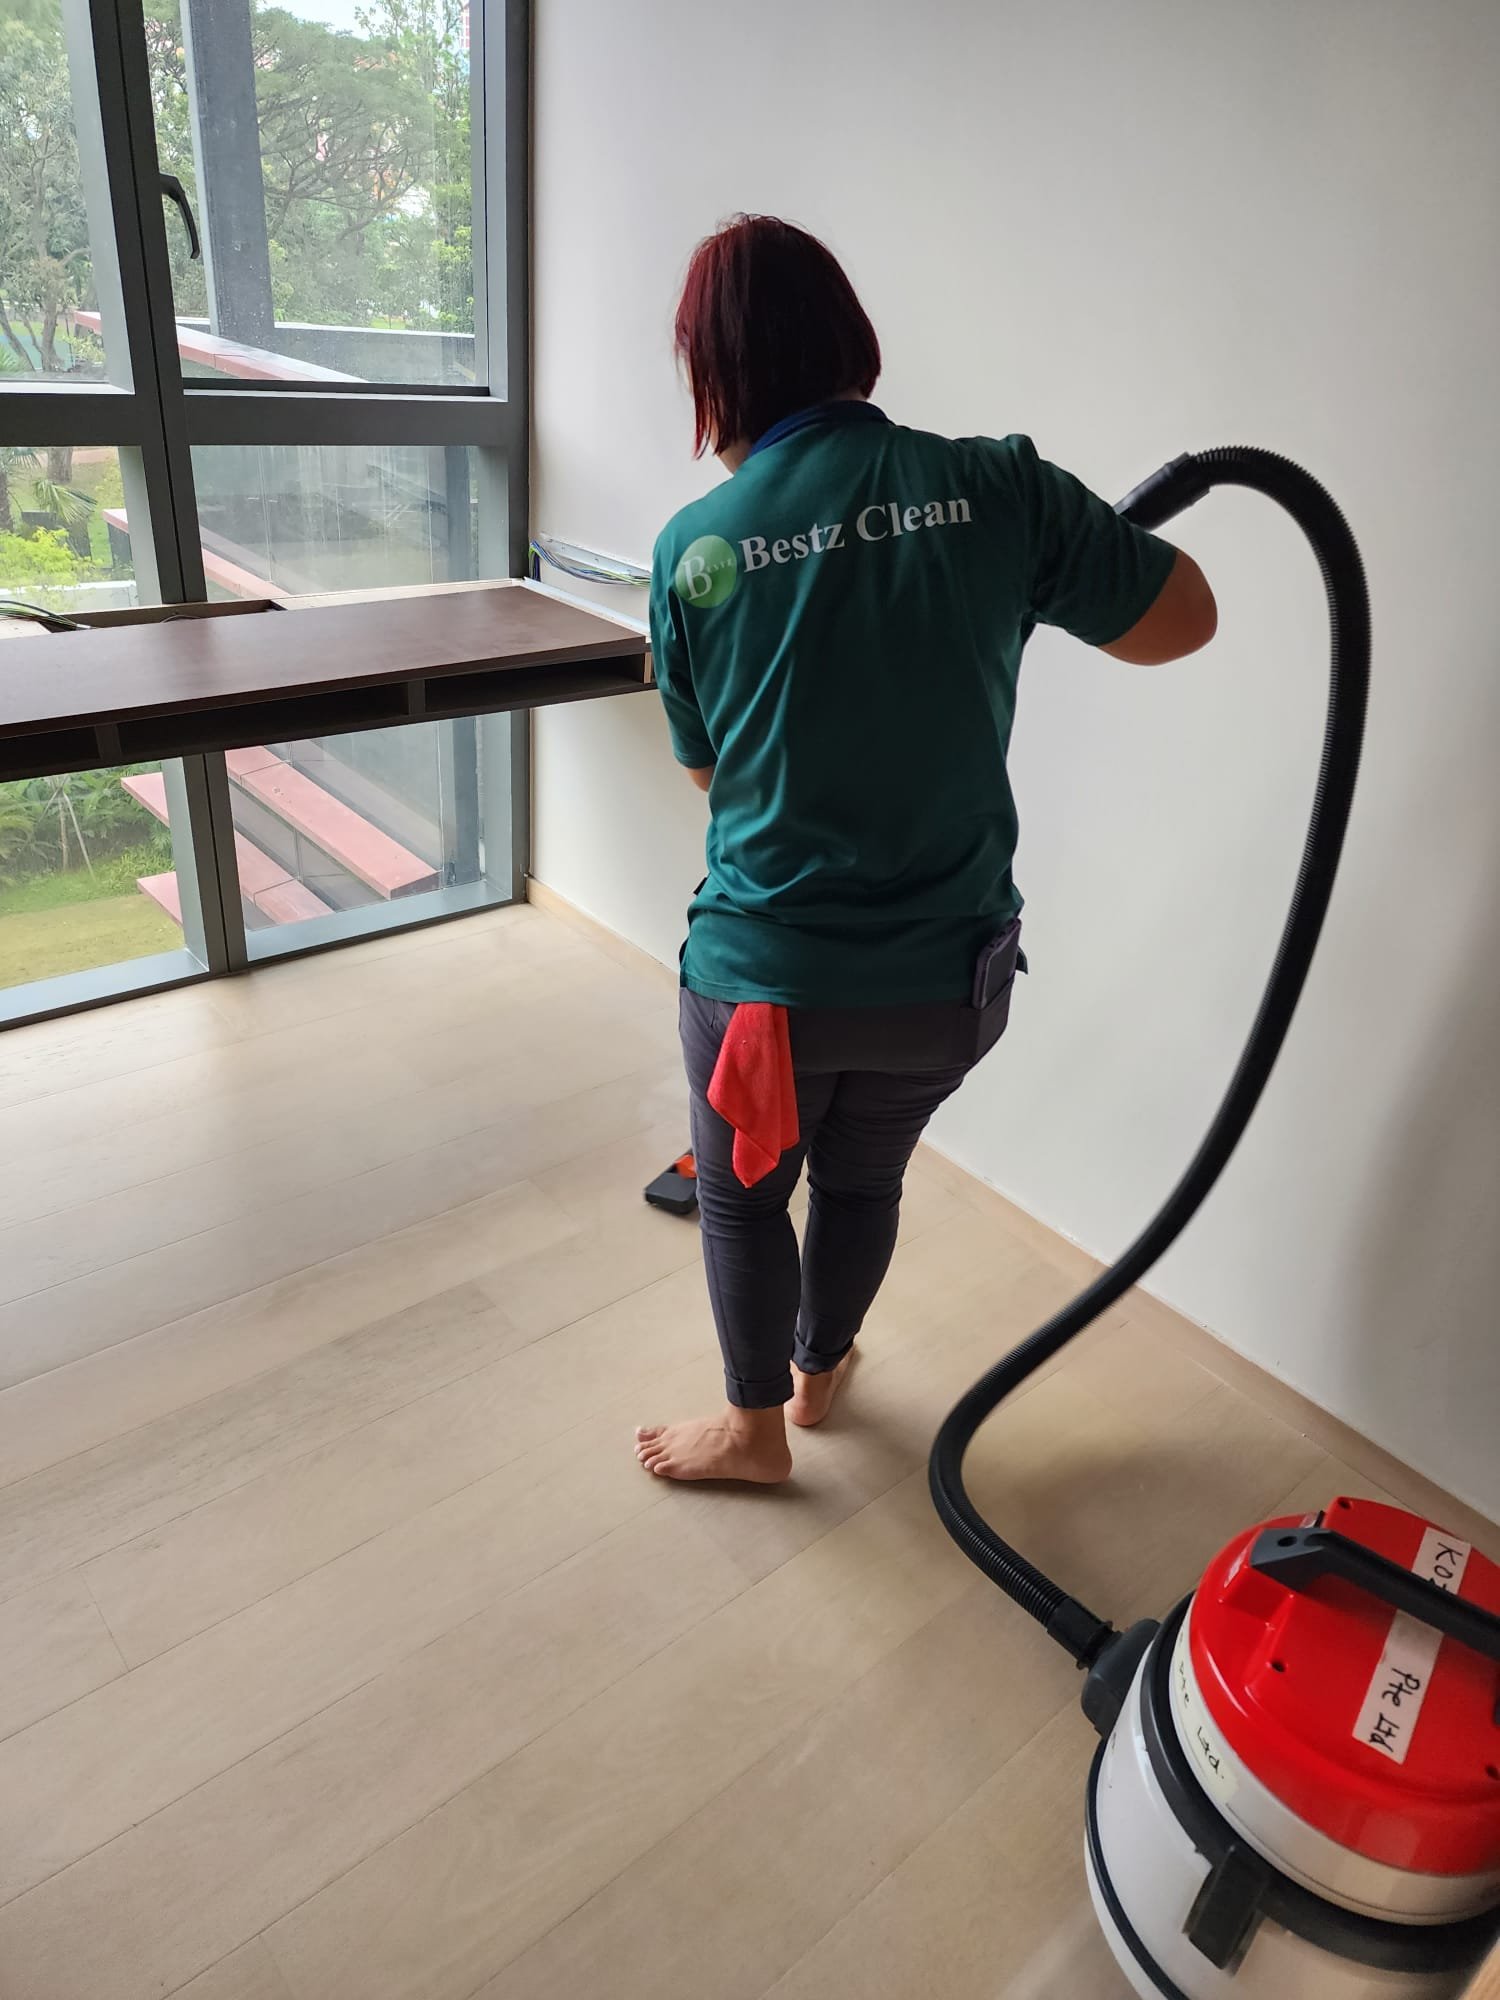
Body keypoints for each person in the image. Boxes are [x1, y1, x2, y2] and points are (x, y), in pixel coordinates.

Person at [636, 215, 1216, 1485]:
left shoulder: (698, 548)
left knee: (743, 1195)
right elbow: (1184, 621)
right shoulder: (998, 487)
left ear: (714, 375)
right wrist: (1044, 556)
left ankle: (753, 1433)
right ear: (852, 342)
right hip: (942, 983)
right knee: (862, 1184)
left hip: (767, 991)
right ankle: (818, 1374)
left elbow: (707, 769)